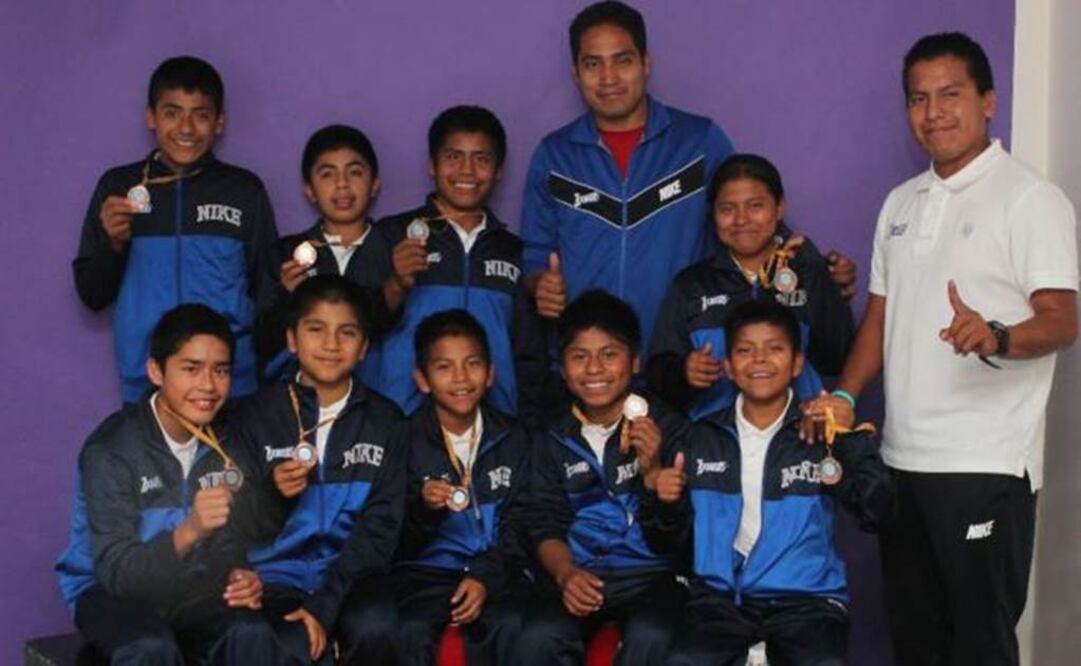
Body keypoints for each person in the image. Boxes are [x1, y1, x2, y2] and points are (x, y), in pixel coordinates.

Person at [830, 32, 1078, 666]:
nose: (933, 112)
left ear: (988, 101)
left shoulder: (1031, 198)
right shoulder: (900, 203)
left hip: (986, 465)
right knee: (917, 642)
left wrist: (997, 335)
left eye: (950, 94)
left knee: (978, 647)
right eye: (919, 98)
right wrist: (842, 394)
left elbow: (1063, 319)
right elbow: (881, 317)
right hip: (902, 460)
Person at [520, 1, 857, 354]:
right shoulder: (554, 156)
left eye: (623, 60)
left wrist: (820, 276)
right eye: (593, 64)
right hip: (588, 369)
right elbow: (534, 256)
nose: (608, 78)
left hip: (687, 364)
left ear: (645, 64)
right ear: (576, 73)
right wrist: (539, 284)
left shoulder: (700, 142)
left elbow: (749, 227)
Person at [639, 299, 892, 665]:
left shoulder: (821, 433)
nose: (759, 360)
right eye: (745, 350)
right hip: (719, 601)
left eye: (774, 349)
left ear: (797, 363)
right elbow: (666, 539)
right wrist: (664, 499)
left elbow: (878, 511)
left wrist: (848, 436)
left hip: (806, 603)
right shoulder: (701, 436)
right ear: (727, 366)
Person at [55, 304, 284, 664]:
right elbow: (118, 574)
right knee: (151, 648)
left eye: (220, 370)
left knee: (251, 631)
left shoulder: (228, 441)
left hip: (193, 584)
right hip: (109, 591)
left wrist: (240, 574)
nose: (208, 385)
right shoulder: (111, 449)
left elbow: (229, 539)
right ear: (156, 371)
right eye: (191, 369)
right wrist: (190, 530)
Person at [73, 56, 278, 403]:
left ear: (219, 122)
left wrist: (255, 368)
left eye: (200, 114)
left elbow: (269, 290)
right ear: (150, 117)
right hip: (146, 383)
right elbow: (91, 295)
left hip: (229, 388)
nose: (186, 128)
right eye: (172, 113)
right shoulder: (118, 188)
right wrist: (113, 244)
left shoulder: (244, 191)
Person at [236, 275, 407, 664]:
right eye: (316, 330)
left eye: (346, 333)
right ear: (292, 340)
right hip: (274, 577)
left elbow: (381, 530)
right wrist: (272, 492)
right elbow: (237, 522)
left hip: (353, 577)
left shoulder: (387, 421)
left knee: (378, 626)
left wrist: (324, 603)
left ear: (364, 347)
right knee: (291, 642)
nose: (331, 345)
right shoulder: (253, 416)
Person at [515, 290, 687, 666]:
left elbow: (680, 536)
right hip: (581, 570)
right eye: (579, 356)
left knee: (653, 636)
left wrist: (653, 471)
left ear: (635, 361)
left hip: (653, 575)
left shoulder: (667, 426)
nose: (594, 369)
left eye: (609, 354)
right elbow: (543, 521)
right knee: (536, 638)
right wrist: (565, 575)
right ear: (562, 368)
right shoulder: (552, 436)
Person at [371, 105, 546, 423]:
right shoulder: (391, 235)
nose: (467, 171)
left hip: (495, 431)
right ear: (432, 166)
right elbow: (358, 327)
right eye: (454, 157)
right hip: (402, 423)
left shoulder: (514, 251)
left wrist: (528, 429)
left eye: (481, 159)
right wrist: (396, 284)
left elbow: (529, 355)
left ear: (498, 170)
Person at [647, 153, 853, 419]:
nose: (741, 219)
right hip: (713, 448)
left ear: (779, 207)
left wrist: (816, 274)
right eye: (727, 209)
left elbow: (836, 359)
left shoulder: (809, 269)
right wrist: (684, 373)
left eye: (755, 206)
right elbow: (657, 377)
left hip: (797, 444)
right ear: (713, 215)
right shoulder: (692, 284)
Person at [393, 309, 531, 665]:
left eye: (472, 364)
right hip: (426, 574)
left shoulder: (515, 437)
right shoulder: (404, 440)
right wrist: (423, 509)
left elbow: (521, 522)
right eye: (443, 367)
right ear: (421, 379)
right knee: (408, 631)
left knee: (515, 625)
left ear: (491, 374)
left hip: (499, 571)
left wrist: (486, 576)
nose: (461, 378)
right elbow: (392, 536)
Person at [256, 124, 396, 378]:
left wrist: (397, 285)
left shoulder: (396, 253)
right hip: (302, 403)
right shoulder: (286, 254)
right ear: (309, 190)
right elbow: (262, 342)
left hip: (381, 400)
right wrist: (289, 298)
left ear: (375, 184)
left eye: (354, 172)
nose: (342, 185)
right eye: (327, 174)